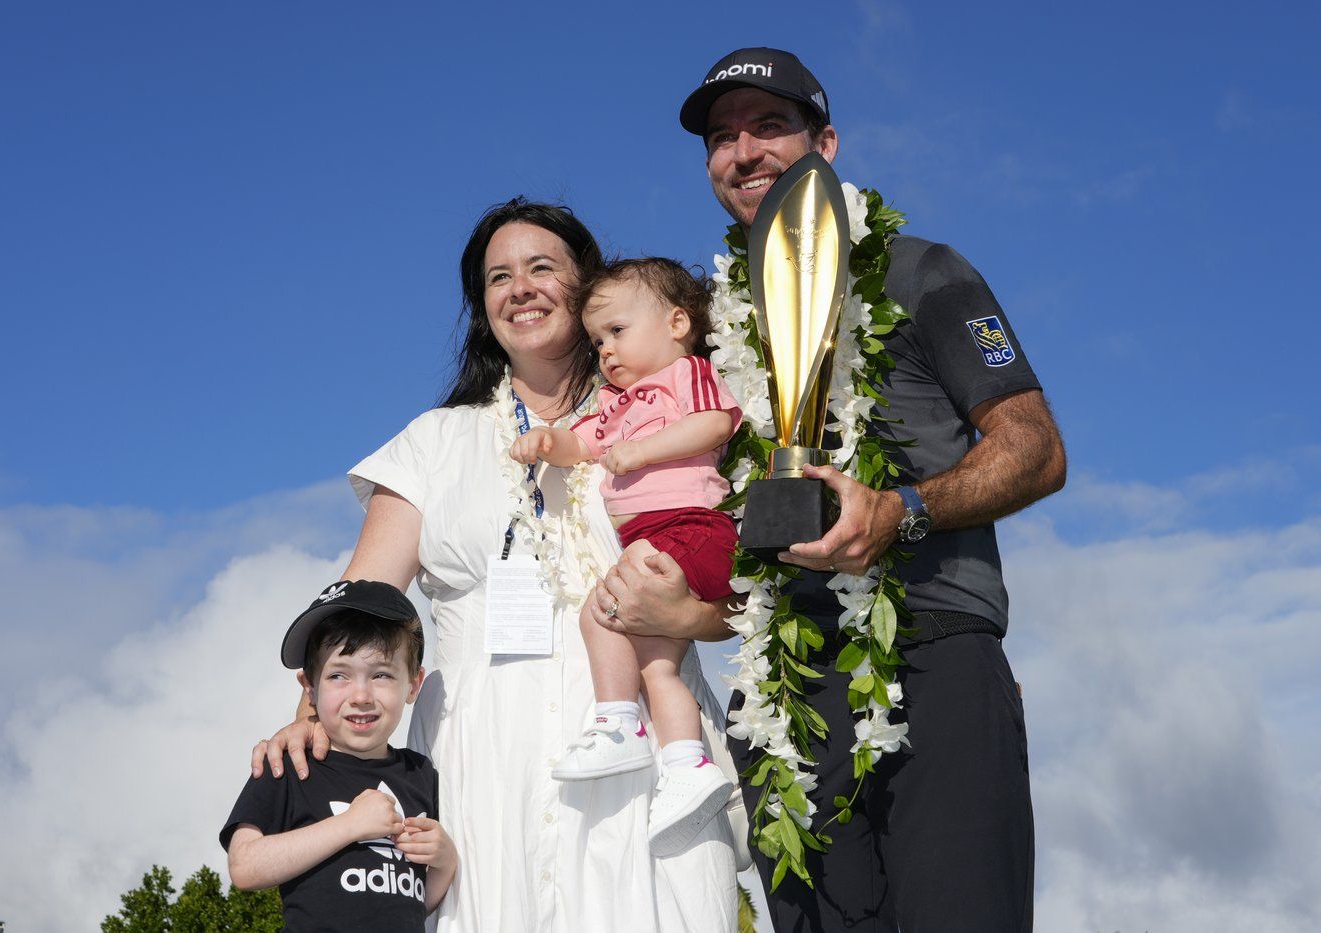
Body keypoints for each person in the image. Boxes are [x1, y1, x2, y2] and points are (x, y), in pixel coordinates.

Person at [589, 48, 1068, 931]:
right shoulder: (710, 324)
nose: (743, 152)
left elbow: (1036, 448)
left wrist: (903, 511)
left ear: (827, 142)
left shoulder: (922, 270)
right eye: (722, 138)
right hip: (782, 694)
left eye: (770, 126)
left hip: (933, 652)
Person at [250, 199, 738, 933]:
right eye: (497, 277)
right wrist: (307, 719)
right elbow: (367, 606)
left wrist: (692, 617)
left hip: (643, 744)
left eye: (544, 267)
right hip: (480, 758)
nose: (521, 288)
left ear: (590, 288)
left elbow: (744, 591)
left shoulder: (676, 418)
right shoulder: (434, 442)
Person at [509, 257, 741, 856]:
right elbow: (579, 444)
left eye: (617, 331)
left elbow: (716, 423)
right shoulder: (611, 403)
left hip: (689, 526)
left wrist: (642, 452)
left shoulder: (683, 374)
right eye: (597, 340)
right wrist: (546, 441)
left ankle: (617, 723)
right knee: (657, 665)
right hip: (659, 539)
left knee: (601, 611)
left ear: (676, 323)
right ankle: (688, 767)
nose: (606, 350)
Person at [222, 581, 457, 931]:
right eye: (338, 676)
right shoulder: (290, 765)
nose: (361, 695)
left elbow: (415, 906)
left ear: (413, 685)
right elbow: (244, 866)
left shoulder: (421, 773)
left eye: (381, 675)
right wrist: (348, 826)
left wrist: (445, 861)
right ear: (310, 689)